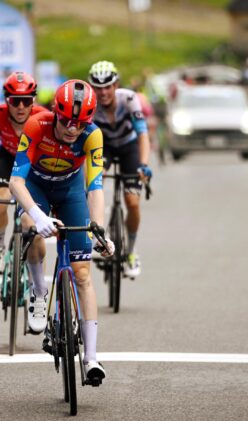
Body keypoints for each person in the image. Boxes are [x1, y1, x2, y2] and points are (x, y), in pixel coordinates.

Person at [9, 79, 114, 381]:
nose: (72, 129)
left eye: (79, 124)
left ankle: (91, 358)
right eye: (66, 120)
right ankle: (39, 291)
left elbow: (95, 187)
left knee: (82, 274)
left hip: (70, 191)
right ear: (56, 113)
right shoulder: (36, 125)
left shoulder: (92, 135)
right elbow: (16, 182)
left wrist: (99, 230)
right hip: (36, 187)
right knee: (29, 226)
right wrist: (37, 215)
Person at [0, 71, 46, 274]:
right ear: (7, 100)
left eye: (26, 100)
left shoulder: (43, 116)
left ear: (33, 100)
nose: (21, 107)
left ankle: (36, 275)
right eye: (15, 101)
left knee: (32, 222)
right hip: (7, 158)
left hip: (33, 161)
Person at [88, 61, 151, 279]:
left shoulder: (129, 99)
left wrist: (144, 165)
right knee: (93, 183)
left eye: (108, 86)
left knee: (132, 202)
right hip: (104, 147)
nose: (103, 92)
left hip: (128, 147)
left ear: (116, 85)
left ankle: (131, 252)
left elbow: (142, 134)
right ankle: (99, 235)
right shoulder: (91, 104)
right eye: (98, 87)